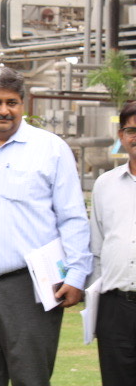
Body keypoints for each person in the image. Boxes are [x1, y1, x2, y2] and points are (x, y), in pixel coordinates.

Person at [0, 66, 92, 386]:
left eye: (12, 102)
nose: (4, 110)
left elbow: (72, 216)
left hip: (29, 286)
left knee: (31, 377)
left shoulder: (50, 149)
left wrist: (77, 274)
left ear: (22, 104)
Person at [90, 100, 136, 386]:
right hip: (115, 307)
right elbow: (96, 249)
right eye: (132, 130)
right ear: (121, 135)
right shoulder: (105, 185)